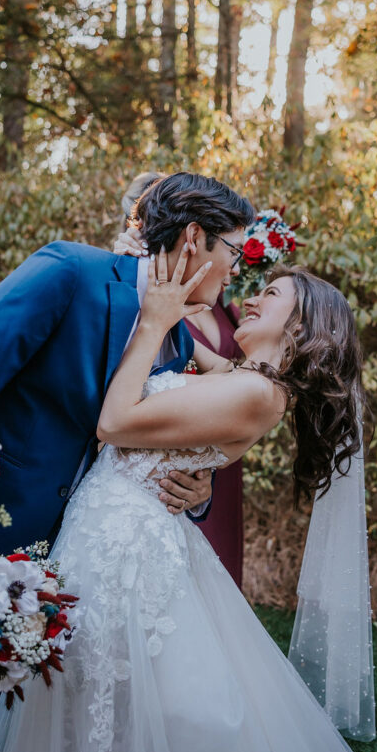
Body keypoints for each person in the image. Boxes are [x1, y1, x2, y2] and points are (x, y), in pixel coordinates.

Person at [0, 252, 377, 752]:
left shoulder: (256, 393)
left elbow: (114, 424)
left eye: (271, 295)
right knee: (98, 696)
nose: (250, 298)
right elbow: (189, 343)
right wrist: (162, 290)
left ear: (301, 327)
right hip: (113, 525)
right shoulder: (246, 379)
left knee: (127, 703)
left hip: (125, 539)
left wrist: (154, 323)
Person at [0, 172, 254, 752]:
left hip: (91, 572)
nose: (235, 270)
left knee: (40, 749)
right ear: (196, 239)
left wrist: (195, 485)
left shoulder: (175, 337)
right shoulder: (68, 271)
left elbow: (148, 449)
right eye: (234, 250)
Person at [118, 171, 245, 586]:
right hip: (119, 499)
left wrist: (201, 476)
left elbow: (227, 377)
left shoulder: (216, 299)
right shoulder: (127, 297)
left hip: (189, 481)